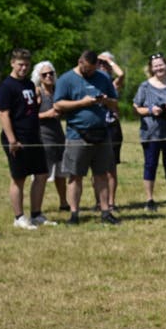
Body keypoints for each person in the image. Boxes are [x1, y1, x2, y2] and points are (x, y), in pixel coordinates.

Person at [54, 50, 120, 225]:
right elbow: (58, 103)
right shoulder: (66, 79)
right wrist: (82, 103)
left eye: (93, 70)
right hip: (77, 135)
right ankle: (74, 214)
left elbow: (115, 101)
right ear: (80, 62)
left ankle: (106, 211)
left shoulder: (103, 78)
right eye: (87, 69)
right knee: (75, 176)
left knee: (102, 175)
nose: (90, 73)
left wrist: (105, 101)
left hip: (102, 133)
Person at [0, 48, 51, 230]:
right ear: (12, 63)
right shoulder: (6, 86)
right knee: (19, 178)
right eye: (20, 64)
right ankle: (19, 217)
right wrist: (12, 140)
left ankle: (36, 214)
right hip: (17, 138)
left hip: (33, 136)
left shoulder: (28, 84)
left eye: (27, 65)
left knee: (42, 174)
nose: (23, 68)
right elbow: (4, 114)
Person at [133, 53, 166, 210]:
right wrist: (151, 110)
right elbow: (136, 109)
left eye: (161, 64)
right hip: (151, 134)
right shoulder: (144, 86)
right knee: (150, 165)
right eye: (155, 65)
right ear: (151, 68)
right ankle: (149, 200)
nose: (159, 68)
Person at [32, 60, 68, 213]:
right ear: (39, 77)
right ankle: (36, 208)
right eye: (44, 74)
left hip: (59, 137)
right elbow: (29, 116)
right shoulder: (37, 92)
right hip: (43, 137)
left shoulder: (58, 92)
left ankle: (64, 202)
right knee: (42, 175)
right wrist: (47, 114)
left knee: (61, 173)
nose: (48, 76)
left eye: (51, 73)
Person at [96, 52, 126, 209]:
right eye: (99, 62)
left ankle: (111, 201)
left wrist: (109, 61)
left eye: (105, 63)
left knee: (111, 167)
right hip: (96, 126)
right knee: (96, 167)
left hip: (112, 126)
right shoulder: (92, 81)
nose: (102, 65)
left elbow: (121, 74)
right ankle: (99, 201)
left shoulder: (113, 84)